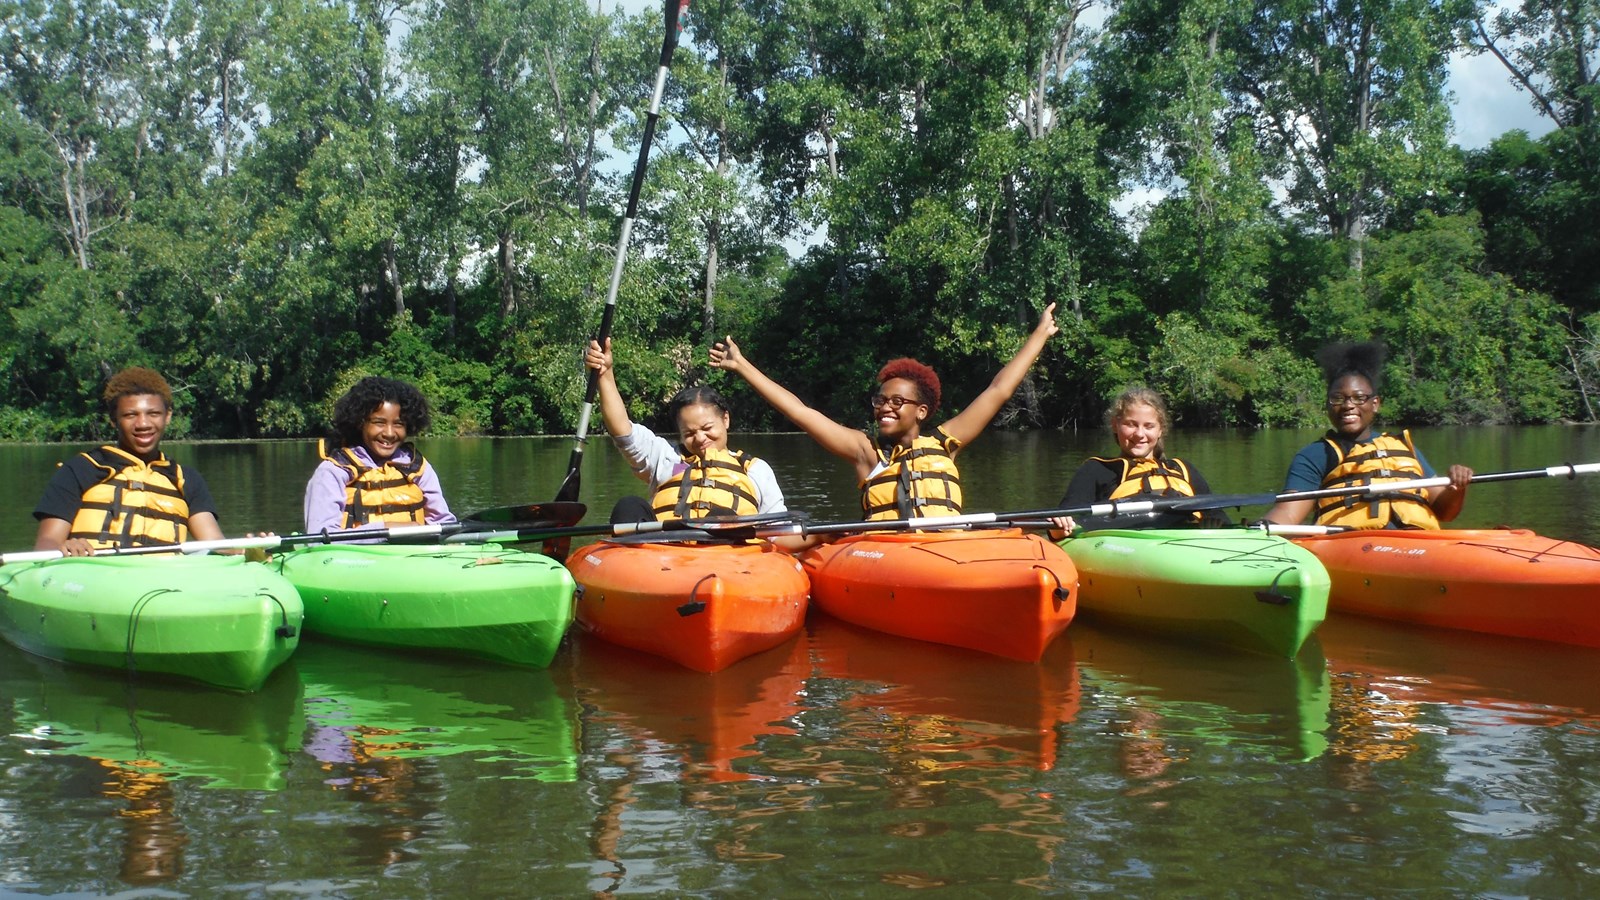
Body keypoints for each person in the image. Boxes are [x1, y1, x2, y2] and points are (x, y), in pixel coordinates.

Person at [709, 304, 1058, 520]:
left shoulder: (945, 443)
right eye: (880, 400)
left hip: (947, 550)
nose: (885, 408)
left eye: (897, 402)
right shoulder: (865, 453)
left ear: (921, 411)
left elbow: (998, 390)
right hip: (891, 554)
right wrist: (743, 367)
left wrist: (1040, 334)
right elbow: (801, 412)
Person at [584, 338, 803, 546]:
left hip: (729, 558)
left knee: (722, 517)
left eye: (707, 428)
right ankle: (628, 573)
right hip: (661, 556)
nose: (700, 438)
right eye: (689, 433)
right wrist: (605, 375)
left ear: (725, 419)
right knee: (629, 505)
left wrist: (821, 538)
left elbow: (778, 533)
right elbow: (622, 431)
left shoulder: (755, 469)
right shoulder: (665, 457)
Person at [1262, 342, 1472, 529]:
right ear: (1327, 405)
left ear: (1375, 403)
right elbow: (1288, 514)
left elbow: (1445, 512)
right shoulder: (1316, 455)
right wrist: (1262, 529)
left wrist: (1457, 488)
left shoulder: (1404, 448)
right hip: (1353, 546)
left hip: (1422, 543)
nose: (1348, 406)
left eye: (1359, 398)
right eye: (1338, 398)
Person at [33, 367, 227, 555]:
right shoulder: (81, 469)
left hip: (167, 579)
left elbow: (216, 544)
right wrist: (66, 546)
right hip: (95, 573)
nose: (143, 424)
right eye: (130, 415)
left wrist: (252, 548)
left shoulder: (186, 479)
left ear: (167, 416)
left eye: (153, 414)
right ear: (113, 419)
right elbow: (47, 542)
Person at [1049, 386, 1221, 535]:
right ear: (1115, 425)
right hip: (1130, 543)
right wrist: (1061, 522)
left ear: (1160, 429)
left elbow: (1218, 517)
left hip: (1189, 540)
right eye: (1131, 424)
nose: (1139, 434)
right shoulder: (1097, 469)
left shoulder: (1183, 469)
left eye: (1149, 426)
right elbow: (1067, 517)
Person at [304, 376, 456, 533]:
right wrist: (386, 530)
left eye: (399, 424)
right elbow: (319, 538)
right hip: (353, 556)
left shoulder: (417, 467)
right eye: (379, 423)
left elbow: (443, 522)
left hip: (413, 554)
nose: (389, 433)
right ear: (360, 423)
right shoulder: (333, 471)